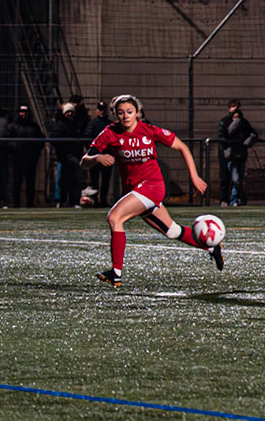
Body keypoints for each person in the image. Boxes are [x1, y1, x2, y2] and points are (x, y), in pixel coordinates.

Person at [80, 94, 223, 286]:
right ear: (114, 114)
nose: (126, 116)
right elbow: (84, 162)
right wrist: (97, 158)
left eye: (130, 112)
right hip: (136, 191)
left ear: (137, 112)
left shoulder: (149, 130)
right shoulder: (109, 133)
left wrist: (194, 176)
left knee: (115, 218)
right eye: (120, 113)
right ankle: (211, 247)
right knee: (172, 231)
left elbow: (182, 147)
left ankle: (116, 273)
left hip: (153, 186)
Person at [216, 100, 257, 207]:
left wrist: (245, 144)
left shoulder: (244, 123)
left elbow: (253, 134)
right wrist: (226, 149)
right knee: (226, 179)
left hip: (239, 155)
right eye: (233, 106)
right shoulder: (225, 122)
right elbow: (222, 136)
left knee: (237, 180)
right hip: (228, 155)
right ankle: (226, 199)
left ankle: (235, 200)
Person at [48, 102, 85, 207]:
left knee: (71, 179)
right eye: (68, 112)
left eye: (71, 112)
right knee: (65, 179)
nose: (70, 114)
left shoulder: (74, 124)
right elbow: (54, 139)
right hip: (65, 156)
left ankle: (71, 200)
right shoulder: (61, 125)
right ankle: (62, 200)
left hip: (71, 154)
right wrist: (62, 149)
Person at [7, 103, 44, 207]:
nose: (23, 114)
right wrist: (16, 149)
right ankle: (15, 204)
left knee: (30, 182)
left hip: (31, 159)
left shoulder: (34, 126)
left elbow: (41, 140)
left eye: (25, 112)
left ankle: (30, 204)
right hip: (17, 158)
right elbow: (8, 141)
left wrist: (35, 151)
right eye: (21, 112)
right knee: (16, 182)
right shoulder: (13, 126)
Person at [82, 102, 114, 207]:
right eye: (100, 109)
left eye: (103, 109)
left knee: (105, 179)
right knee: (94, 179)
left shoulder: (110, 124)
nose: (102, 111)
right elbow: (87, 137)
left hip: (107, 155)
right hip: (96, 156)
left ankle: (103, 200)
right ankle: (95, 200)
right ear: (97, 110)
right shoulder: (93, 123)